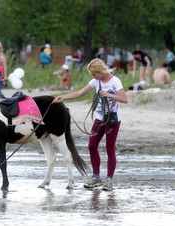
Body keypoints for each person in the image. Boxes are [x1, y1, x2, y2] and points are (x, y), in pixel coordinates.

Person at [52, 58, 128, 191]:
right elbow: (80, 93)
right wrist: (63, 97)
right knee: (92, 146)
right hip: (99, 118)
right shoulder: (96, 81)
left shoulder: (115, 81)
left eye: (94, 74)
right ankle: (96, 177)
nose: (93, 77)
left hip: (112, 119)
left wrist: (109, 96)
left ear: (100, 71)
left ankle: (109, 180)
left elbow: (124, 99)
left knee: (109, 148)